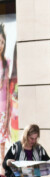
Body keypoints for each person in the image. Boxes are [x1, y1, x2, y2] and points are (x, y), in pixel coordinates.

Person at [0, 23, 10, 151]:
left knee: (2, 145)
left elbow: (7, 88)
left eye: (2, 42)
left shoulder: (6, 63)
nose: (0, 46)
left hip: (3, 109)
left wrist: (7, 112)